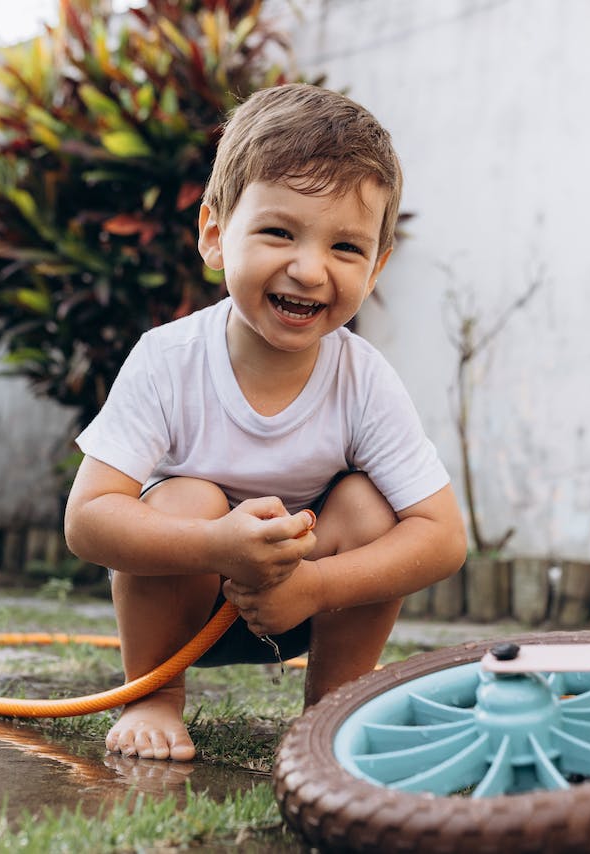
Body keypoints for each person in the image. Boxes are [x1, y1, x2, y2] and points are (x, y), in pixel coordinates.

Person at [63, 83, 467, 761]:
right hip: (189, 606)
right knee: (187, 498)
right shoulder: (169, 360)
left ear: (375, 268)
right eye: (279, 232)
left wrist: (314, 586)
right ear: (217, 235)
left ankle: (331, 708)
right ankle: (156, 699)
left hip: (307, 604)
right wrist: (215, 545)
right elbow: (88, 521)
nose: (309, 270)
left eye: (345, 247)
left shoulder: (362, 378)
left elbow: (444, 539)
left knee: (372, 506)